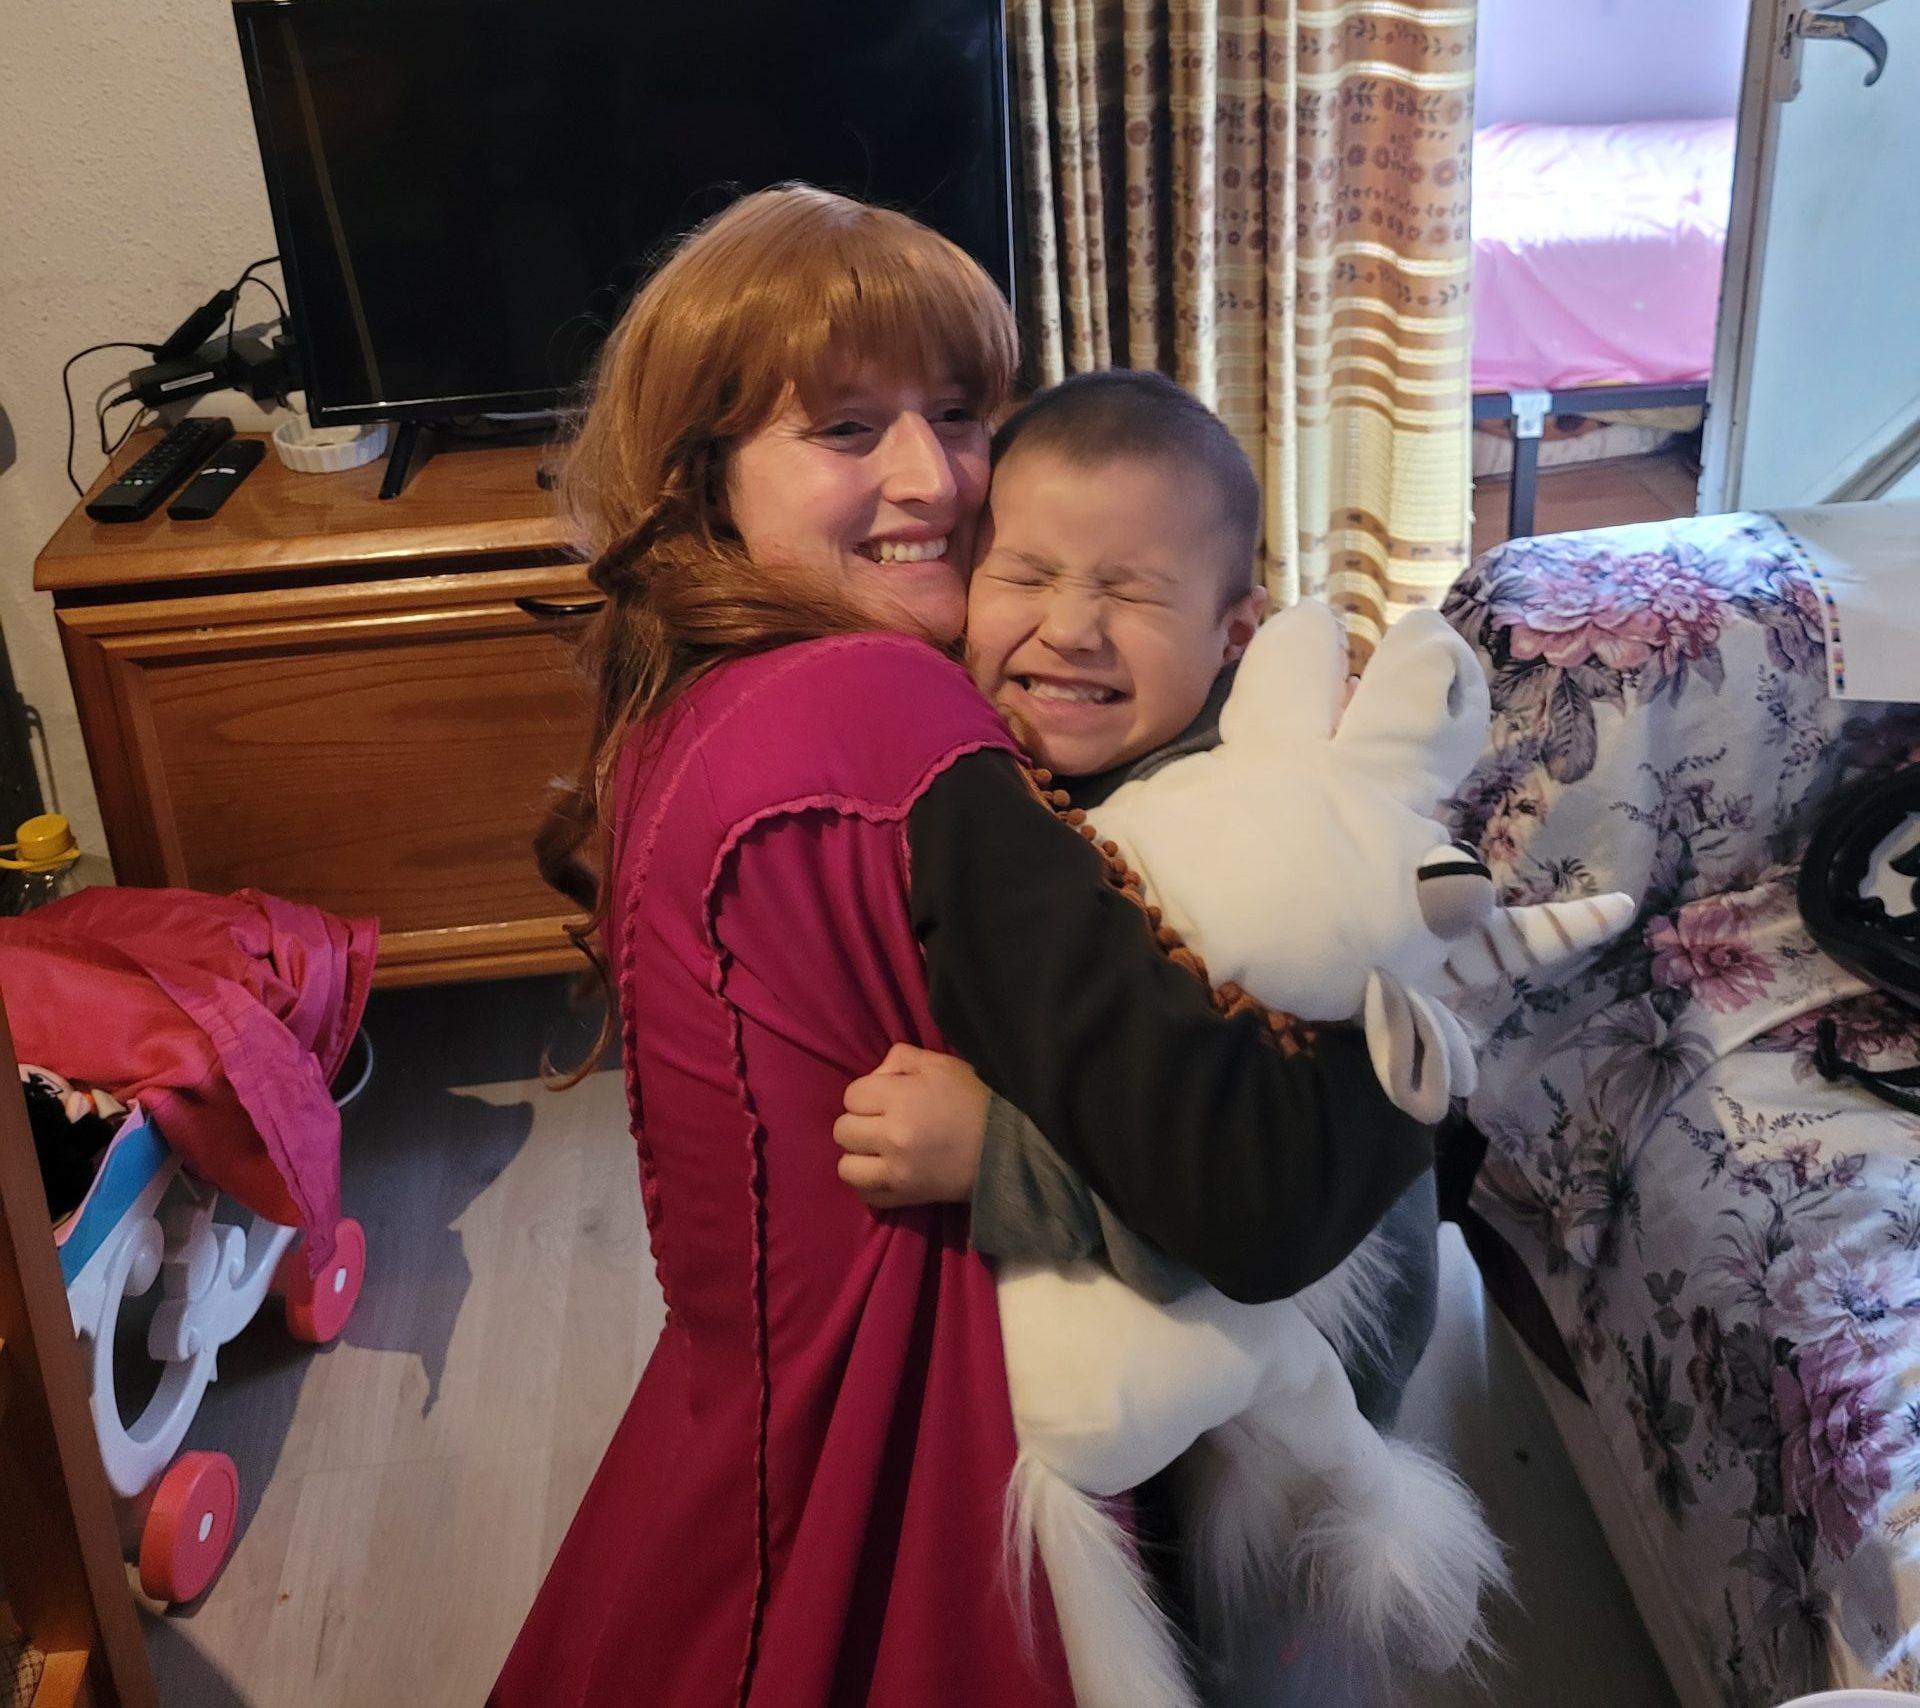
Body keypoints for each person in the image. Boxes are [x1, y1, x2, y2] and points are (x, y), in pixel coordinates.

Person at [490, 185, 1433, 1708]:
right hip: (994, 1452)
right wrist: (1422, 1065)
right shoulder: (891, 717)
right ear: (705, 472)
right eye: (846, 430)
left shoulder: (703, 694)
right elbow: (1263, 1188)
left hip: (1216, 1427)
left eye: (957, 412)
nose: (932, 476)